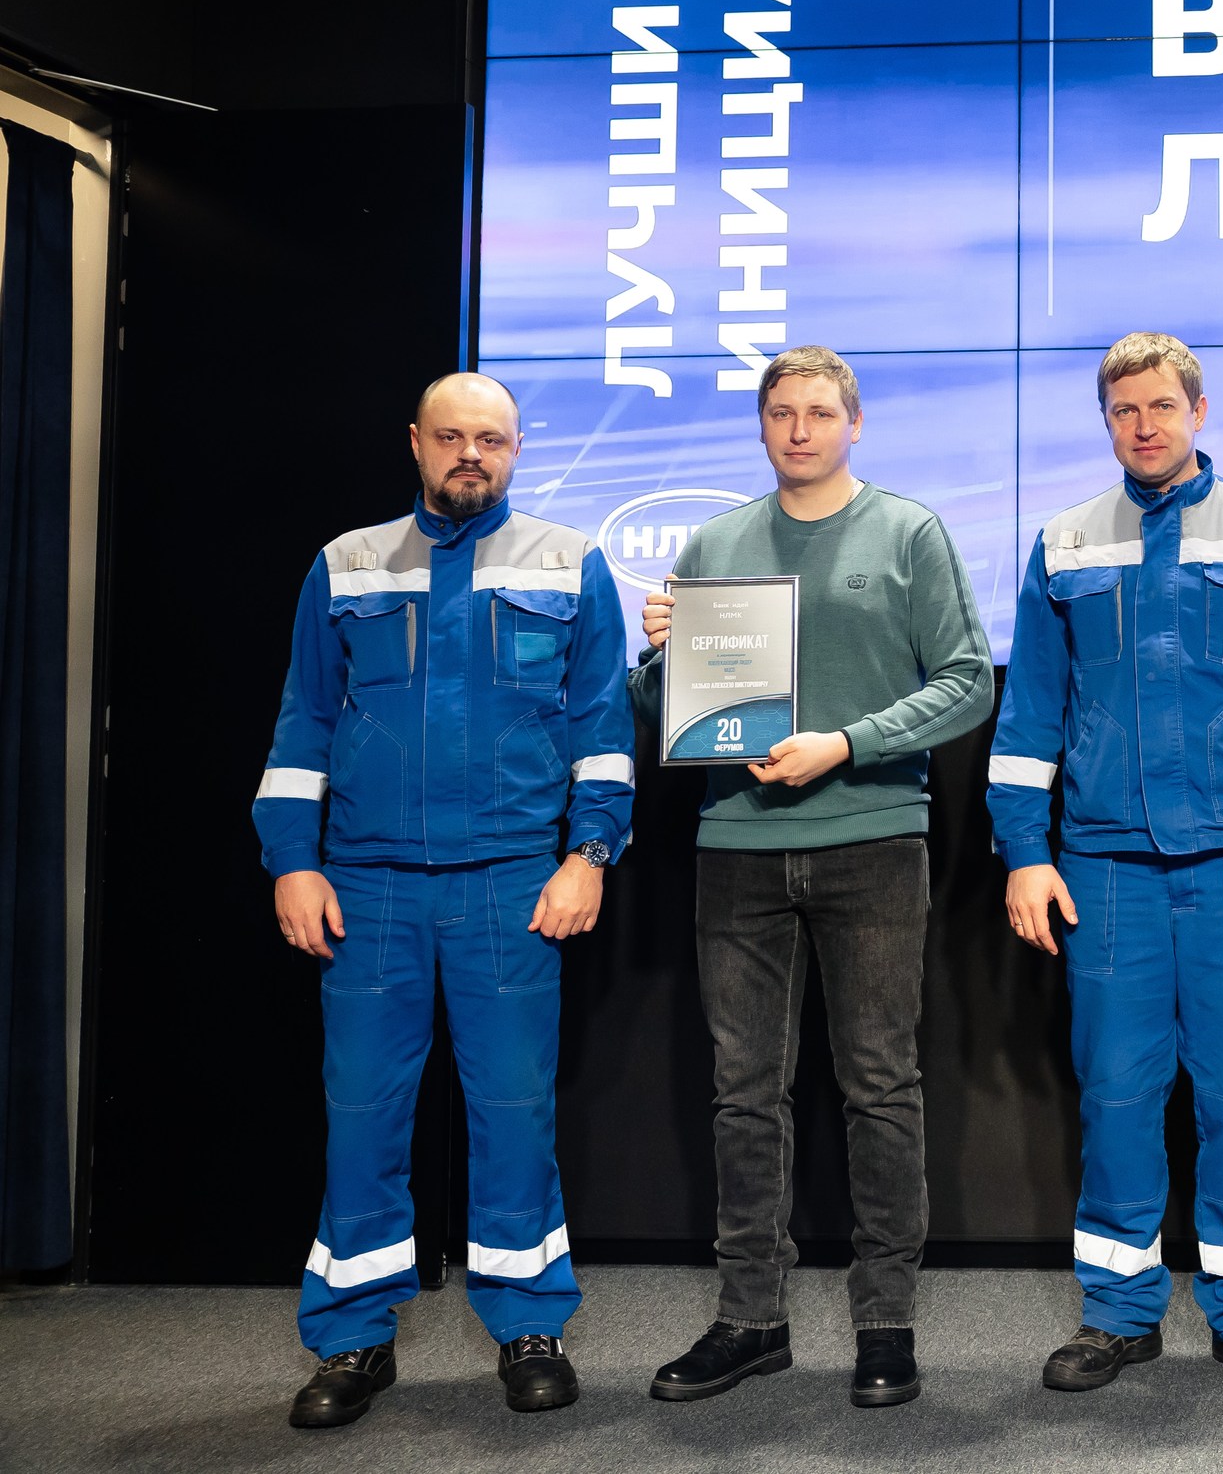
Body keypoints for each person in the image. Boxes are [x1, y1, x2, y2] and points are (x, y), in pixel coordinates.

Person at [255, 373, 633, 1426]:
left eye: (492, 439)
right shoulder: (346, 562)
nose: (473, 453)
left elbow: (602, 726)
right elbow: (303, 721)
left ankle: (529, 1324)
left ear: (517, 450)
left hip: (513, 883)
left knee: (514, 1112)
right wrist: (291, 861)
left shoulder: (570, 562)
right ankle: (352, 1338)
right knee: (362, 1115)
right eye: (453, 436)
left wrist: (589, 854)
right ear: (416, 442)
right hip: (366, 885)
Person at [987, 332, 1223, 1396]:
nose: (1143, 426)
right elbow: (1030, 715)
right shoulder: (1065, 542)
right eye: (1123, 411)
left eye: (1160, 406)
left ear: (1198, 409)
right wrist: (1024, 852)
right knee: (1116, 1093)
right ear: (1106, 421)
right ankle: (1117, 1313)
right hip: (1104, 866)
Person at [631, 347, 993, 1409]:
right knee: (744, 1093)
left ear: (855, 423)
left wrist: (846, 744)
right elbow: (664, 715)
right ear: (761, 425)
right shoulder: (717, 543)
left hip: (873, 840)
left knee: (880, 1086)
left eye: (820, 413)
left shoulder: (908, 532)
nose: (799, 430)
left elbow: (967, 682)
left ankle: (886, 1323)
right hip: (736, 848)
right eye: (782, 412)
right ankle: (750, 1319)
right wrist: (660, 658)